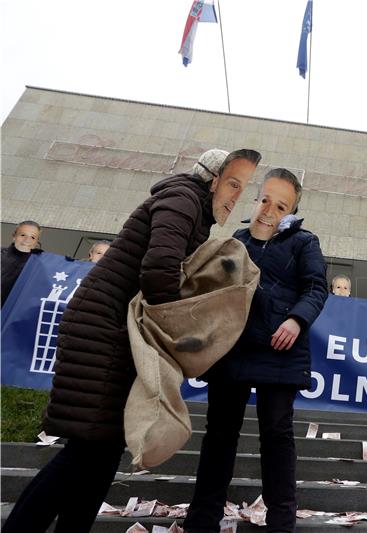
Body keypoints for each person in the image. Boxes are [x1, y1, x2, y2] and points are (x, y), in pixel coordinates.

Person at [3, 148, 261, 533]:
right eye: (233, 184)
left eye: (243, 188)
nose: (236, 196)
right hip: (104, 327)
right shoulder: (184, 199)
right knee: (86, 451)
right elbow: (159, 270)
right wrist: (180, 328)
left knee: (103, 453)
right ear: (212, 179)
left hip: (113, 328)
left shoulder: (188, 206)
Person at [184, 168, 328, 533]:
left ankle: (281, 523)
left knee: (277, 435)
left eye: (281, 205)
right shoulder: (238, 239)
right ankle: (202, 521)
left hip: (280, 349)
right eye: (265, 199)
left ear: (292, 211)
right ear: (256, 198)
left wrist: (295, 320)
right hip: (231, 349)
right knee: (219, 434)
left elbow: (315, 288)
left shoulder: (305, 242)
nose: (269, 209)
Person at [1, 220, 43, 307]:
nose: (27, 240)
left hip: (14, 313)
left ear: (36, 241)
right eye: (23, 235)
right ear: (14, 236)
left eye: (33, 237)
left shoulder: (40, 264)